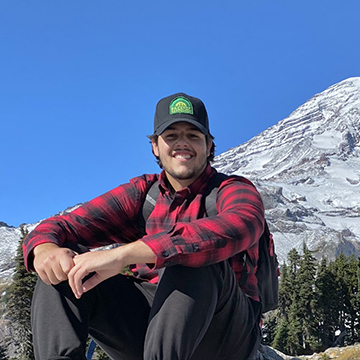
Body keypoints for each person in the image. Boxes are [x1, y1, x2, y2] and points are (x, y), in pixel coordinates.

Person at [23, 92, 265, 360]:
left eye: (193, 136)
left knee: (191, 257)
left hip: (224, 336)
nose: (182, 144)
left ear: (209, 146)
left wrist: (123, 255)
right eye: (171, 136)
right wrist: (44, 250)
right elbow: (62, 226)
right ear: (155, 146)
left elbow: (242, 225)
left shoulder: (231, 189)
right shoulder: (143, 193)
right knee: (65, 263)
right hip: (148, 330)